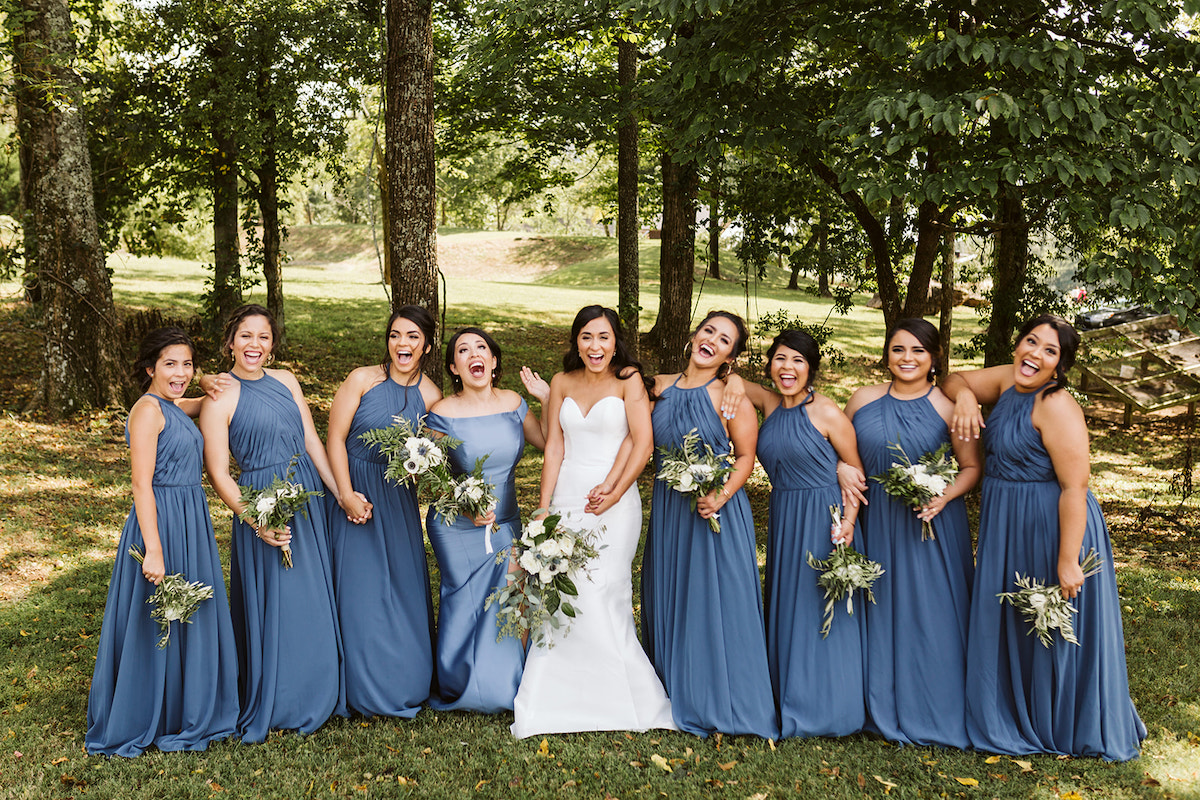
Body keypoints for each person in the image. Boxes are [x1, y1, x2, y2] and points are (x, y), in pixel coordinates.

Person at [943, 314, 1145, 760]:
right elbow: (953, 378)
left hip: (1051, 523)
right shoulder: (1008, 383)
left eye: (1049, 351)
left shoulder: (1055, 405)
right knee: (1018, 620)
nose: (1035, 354)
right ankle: (1018, 710)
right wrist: (964, 400)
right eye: (1031, 342)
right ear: (1018, 344)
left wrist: (1067, 559)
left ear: (1059, 366)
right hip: (1007, 522)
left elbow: (1076, 486)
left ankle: (1060, 720)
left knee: (1049, 623)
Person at [510, 306, 675, 738]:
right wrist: (544, 506)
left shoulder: (629, 381)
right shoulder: (562, 383)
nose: (595, 346)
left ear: (616, 341)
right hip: (567, 497)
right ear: (576, 341)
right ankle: (558, 694)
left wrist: (616, 492)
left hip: (613, 501)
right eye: (586, 337)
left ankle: (621, 697)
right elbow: (554, 450)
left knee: (604, 591)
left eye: (603, 337)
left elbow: (643, 443)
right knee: (565, 591)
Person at [86, 327, 238, 756]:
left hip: (190, 519)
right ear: (150, 367)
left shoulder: (170, 404)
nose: (181, 372)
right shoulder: (147, 411)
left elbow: (193, 403)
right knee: (155, 620)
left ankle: (182, 706)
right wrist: (153, 548)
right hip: (161, 521)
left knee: (185, 615)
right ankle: (148, 710)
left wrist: (206, 382)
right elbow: (140, 484)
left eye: (187, 363)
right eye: (170, 364)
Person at [199, 304, 346, 742]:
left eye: (263, 337)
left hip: (307, 496)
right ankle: (283, 698)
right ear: (230, 342)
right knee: (280, 602)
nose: (255, 345)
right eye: (245, 335)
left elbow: (311, 440)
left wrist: (338, 492)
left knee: (314, 594)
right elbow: (219, 472)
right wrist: (256, 520)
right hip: (263, 502)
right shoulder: (218, 397)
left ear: (273, 344)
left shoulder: (287, 381)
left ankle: (322, 687)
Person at [642, 311, 779, 739]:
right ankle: (669, 689)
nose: (711, 341)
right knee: (672, 593)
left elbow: (745, 457)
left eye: (724, 340)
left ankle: (722, 698)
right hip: (669, 509)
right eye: (708, 331)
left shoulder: (729, 395)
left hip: (716, 509)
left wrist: (719, 495)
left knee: (717, 601)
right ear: (692, 334)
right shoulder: (657, 387)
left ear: (730, 357)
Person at [843, 318, 979, 748]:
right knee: (879, 610)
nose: (907, 358)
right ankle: (875, 702)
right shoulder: (861, 400)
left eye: (918, 351)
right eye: (898, 349)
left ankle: (932, 705)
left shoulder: (947, 405)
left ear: (934, 357)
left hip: (931, 526)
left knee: (930, 615)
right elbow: (837, 452)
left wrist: (943, 495)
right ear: (886, 354)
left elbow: (973, 467)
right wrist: (841, 468)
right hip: (876, 521)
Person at [744, 330, 868, 739]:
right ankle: (788, 697)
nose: (788, 368)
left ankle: (831, 707)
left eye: (798, 361)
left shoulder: (829, 412)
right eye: (780, 359)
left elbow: (855, 472)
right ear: (770, 364)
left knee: (821, 609)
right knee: (790, 605)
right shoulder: (767, 402)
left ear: (811, 368)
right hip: (785, 515)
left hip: (825, 518)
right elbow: (719, 375)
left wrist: (848, 523)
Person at [326, 306, 442, 718]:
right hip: (353, 491)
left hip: (396, 501)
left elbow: (433, 460)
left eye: (412, 336)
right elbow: (334, 439)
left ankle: (404, 677)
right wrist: (345, 493)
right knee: (359, 590)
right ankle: (357, 684)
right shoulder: (361, 379)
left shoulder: (431, 395)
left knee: (401, 589)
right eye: (395, 335)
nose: (402, 344)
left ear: (426, 343)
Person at [425, 327, 546, 713]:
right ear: (454, 367)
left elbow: (548, 441)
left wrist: (545, 398)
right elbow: (430, 477)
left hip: (506, 520)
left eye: (481, 348)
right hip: (456, 524)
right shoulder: (443, 412)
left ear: (493, 363)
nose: (473, 354)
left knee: (511, 599)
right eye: (463, 350)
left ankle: (508, 682)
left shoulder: (513, 402)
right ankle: (459, 679)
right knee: (466, 603)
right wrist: (463, 506)